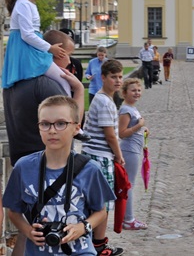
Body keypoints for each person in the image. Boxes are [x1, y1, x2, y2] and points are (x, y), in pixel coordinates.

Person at [3, 96, 116, 256]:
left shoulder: (90, 169)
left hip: (80, 251)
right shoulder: (23, 167)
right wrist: (28, 231)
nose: (52, 130)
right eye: (45, 124)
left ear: (77, 128)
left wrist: (82, 227)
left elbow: (101, 211)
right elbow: (13, 212)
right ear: (39, 127)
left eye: (61, 123)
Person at [3, 30, 86, 166]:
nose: (70, 61)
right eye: (68, 55)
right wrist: (79, 90)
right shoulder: (44, 84)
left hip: (22, 162)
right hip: (49, 164)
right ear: (57, 52)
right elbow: (73, 126)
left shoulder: (12, 83)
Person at [2, 0, 70, 93]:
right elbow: (27, 35)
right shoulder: (23, 4)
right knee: (63, 81)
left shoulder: (27, 4)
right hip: (28, 51)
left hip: (29, 49)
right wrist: (50, 48)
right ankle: (68, 111)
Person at [81, 59, 126, 256]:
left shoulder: (100, 99)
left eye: (120, 77)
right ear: (103, 78)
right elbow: (110, 135)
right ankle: (99, 245)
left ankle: (92, 242)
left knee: (95, 202)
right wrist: (119, 155)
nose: (118, 81)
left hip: (92, 154)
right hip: (101, 157)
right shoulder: (105, 102)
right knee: (103, 204)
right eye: (113, 77)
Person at [119, 78, 148, 230]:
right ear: (124, 93)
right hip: (129, 150)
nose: (137, 93)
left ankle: (127, 217)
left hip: (135, 148)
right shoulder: (125, 110)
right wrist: (139, 125)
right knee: (129, 185)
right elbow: (122, 133)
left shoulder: (132, 108)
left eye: (138, 90)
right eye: (133, 90)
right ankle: (128, 219)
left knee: (129, 184)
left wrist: (142, 130)